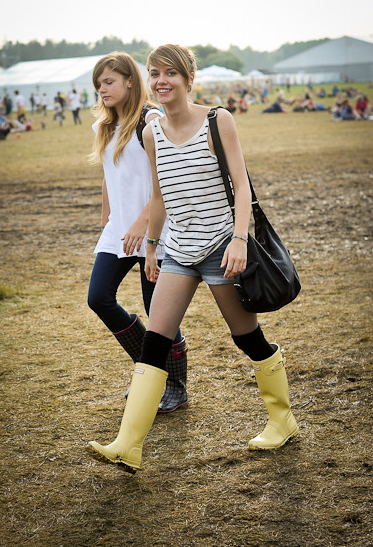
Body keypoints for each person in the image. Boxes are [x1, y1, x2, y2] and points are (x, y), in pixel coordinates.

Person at [86, 44, 298, 473]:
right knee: (155, 340)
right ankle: (127, 444)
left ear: (187, 78)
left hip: (221, 247)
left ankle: (283, 420)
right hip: (178, 252)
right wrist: (150, 246)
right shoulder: (152, 133)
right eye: (154, 73)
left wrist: (239, 239)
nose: (161, 81)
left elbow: (241, 186)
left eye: (170, 73)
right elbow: (160, 196)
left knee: (247, 337)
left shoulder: (218, 121)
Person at [86, 51, 188, 417]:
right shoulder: (104, 125)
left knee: (157, 313)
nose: (102, 90)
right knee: (98, 298)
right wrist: (107, 220)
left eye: (109, 82)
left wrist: (142, 224)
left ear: (130, 80)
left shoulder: (151, 120)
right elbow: (110, 175)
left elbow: (163, 183)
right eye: (98, 85)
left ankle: (173, 384)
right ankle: (150, 369)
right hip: (118, 232)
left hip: (154, 232)